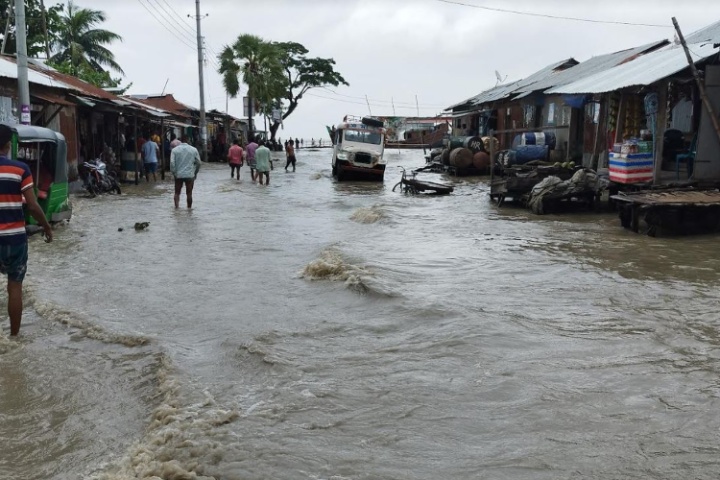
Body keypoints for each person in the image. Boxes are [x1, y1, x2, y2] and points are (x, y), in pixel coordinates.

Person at [0, 124, 53, 336]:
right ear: (6, 145)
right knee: (14, 288)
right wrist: (47, 227)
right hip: (15, 240)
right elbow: (32, 205)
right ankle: (14, 337)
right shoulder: (20, 169)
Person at [170, 136, 201, 209]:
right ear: (188, 141)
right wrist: (195, 173)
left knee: (177, 193)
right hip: (190, 175)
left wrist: (174, 173)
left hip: (178, 175)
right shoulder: (194, 150)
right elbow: (199, 163)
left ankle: (177, 209)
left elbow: (172, 163)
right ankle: (189, 210)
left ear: (180, 141)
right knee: (189, 194)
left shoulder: (174, 150)